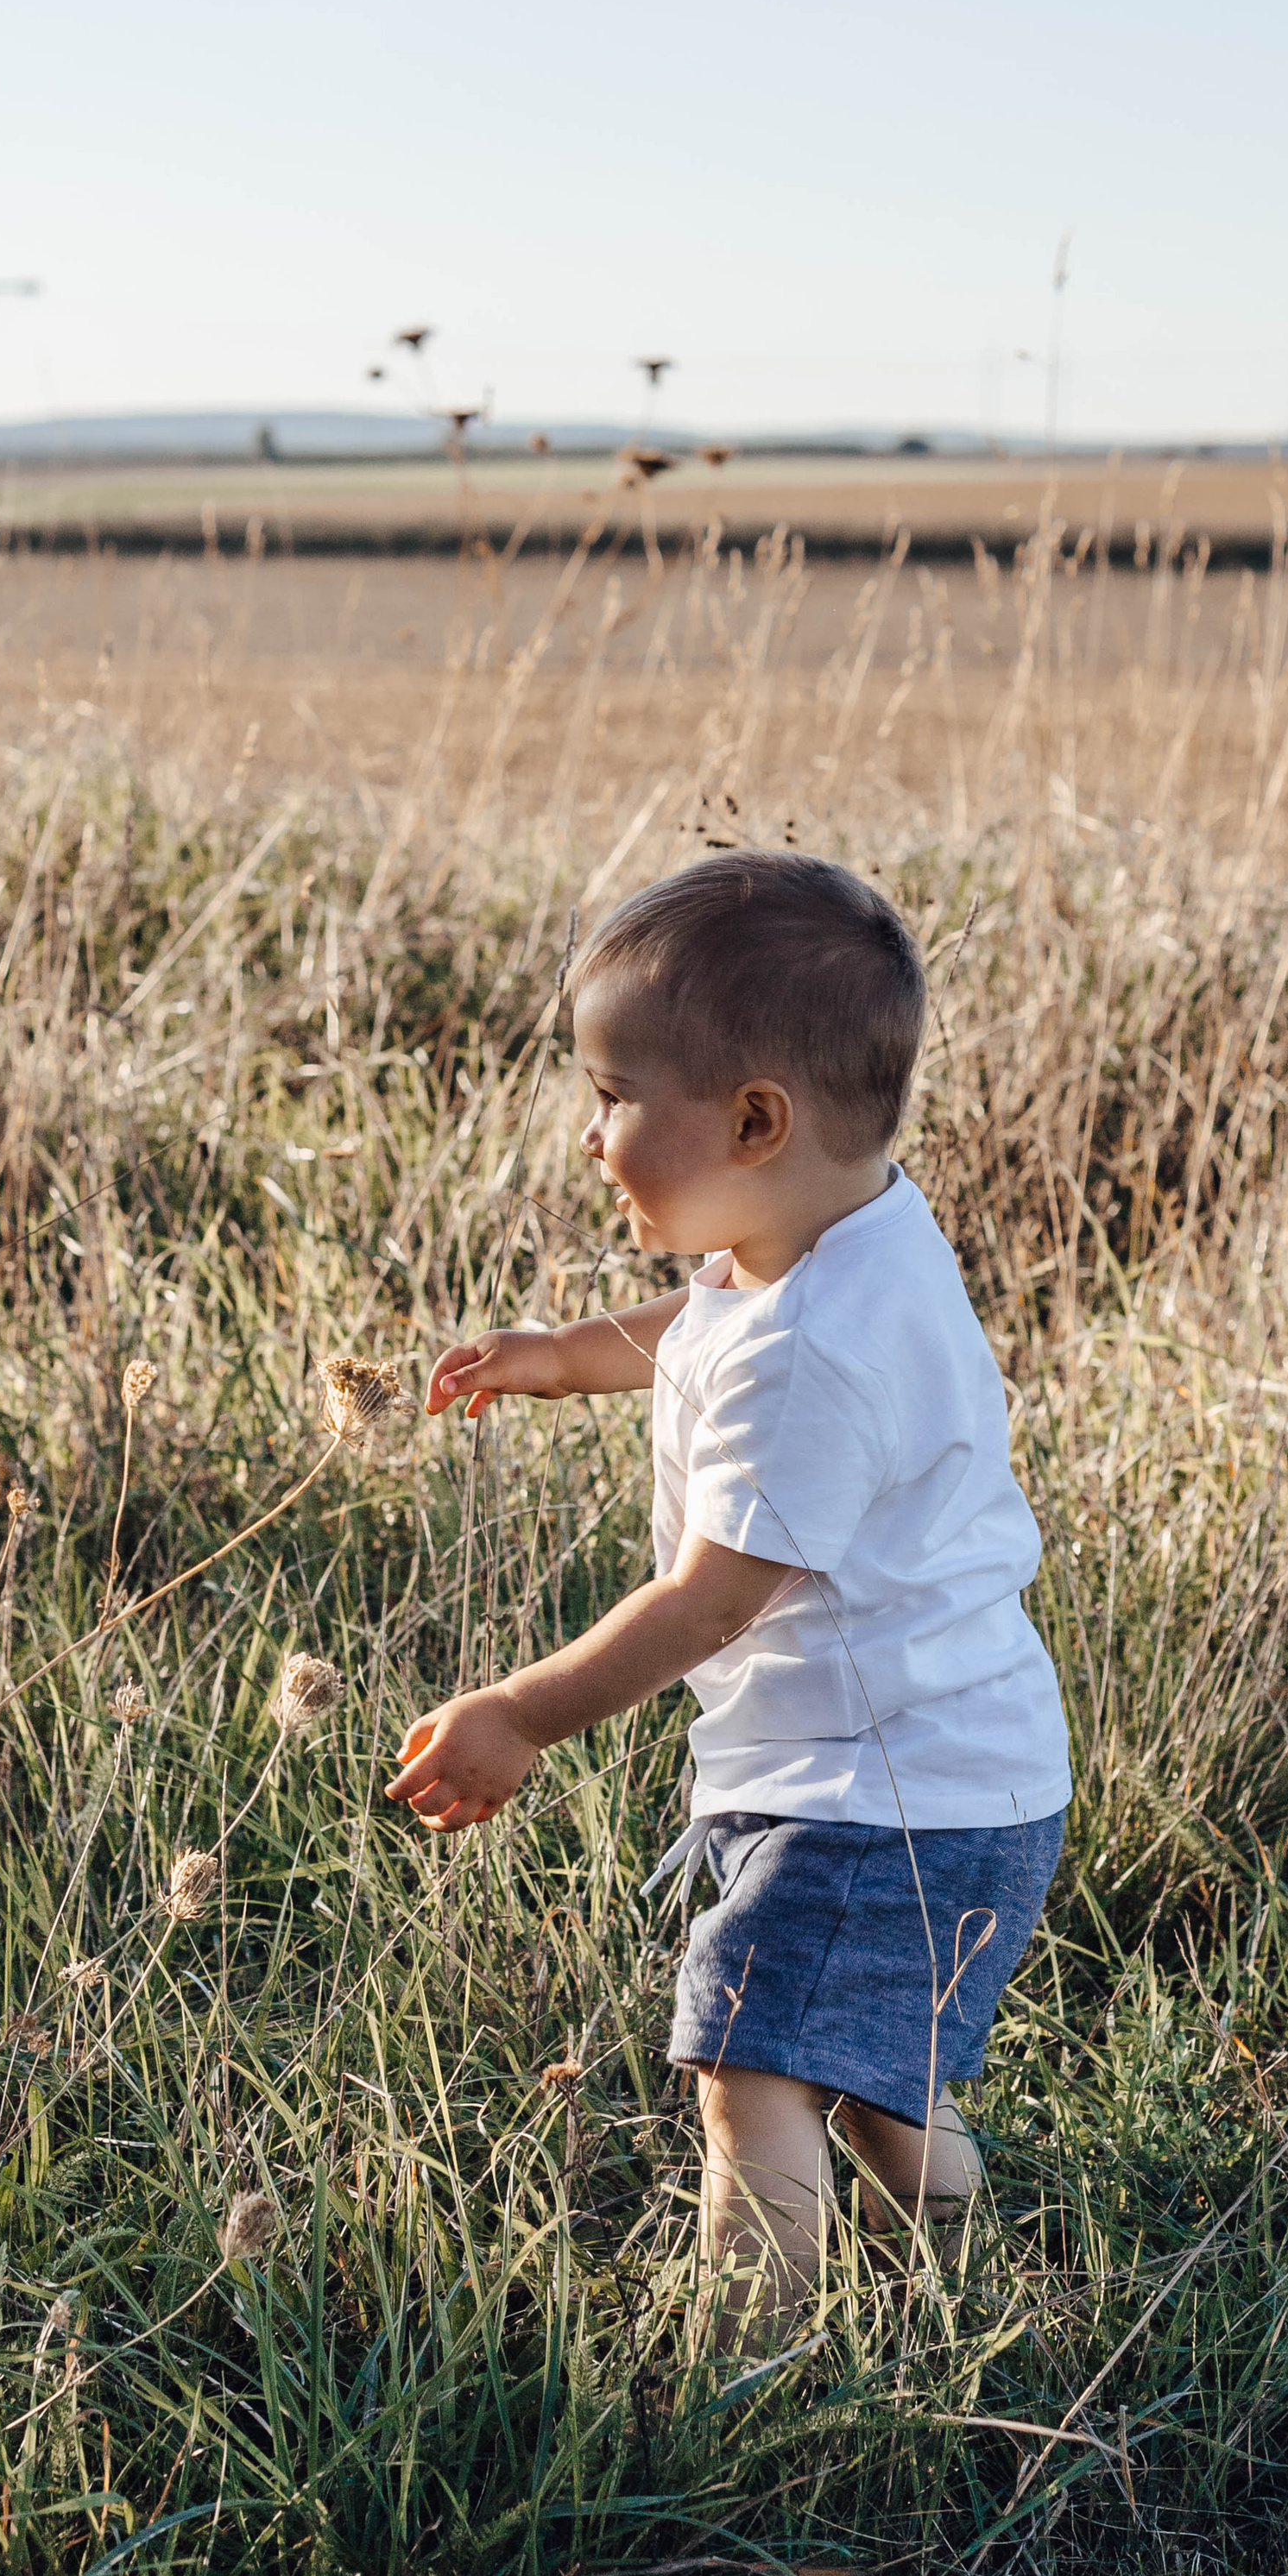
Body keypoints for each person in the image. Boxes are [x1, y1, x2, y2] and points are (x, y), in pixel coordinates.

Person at [387, 851, 1070, 2323]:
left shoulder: (816, 1357)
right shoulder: (846, 1234)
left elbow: (708, 1602)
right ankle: (969, 2284)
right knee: (875, 2076)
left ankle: (746, 2374)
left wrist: (519, 1713)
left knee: (749, 2060)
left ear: (756, 1121)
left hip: (881, 1793)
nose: (591, 1137)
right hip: (956, 1773)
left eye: (614, 1096)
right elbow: (706, 1320)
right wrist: (561, 1355)